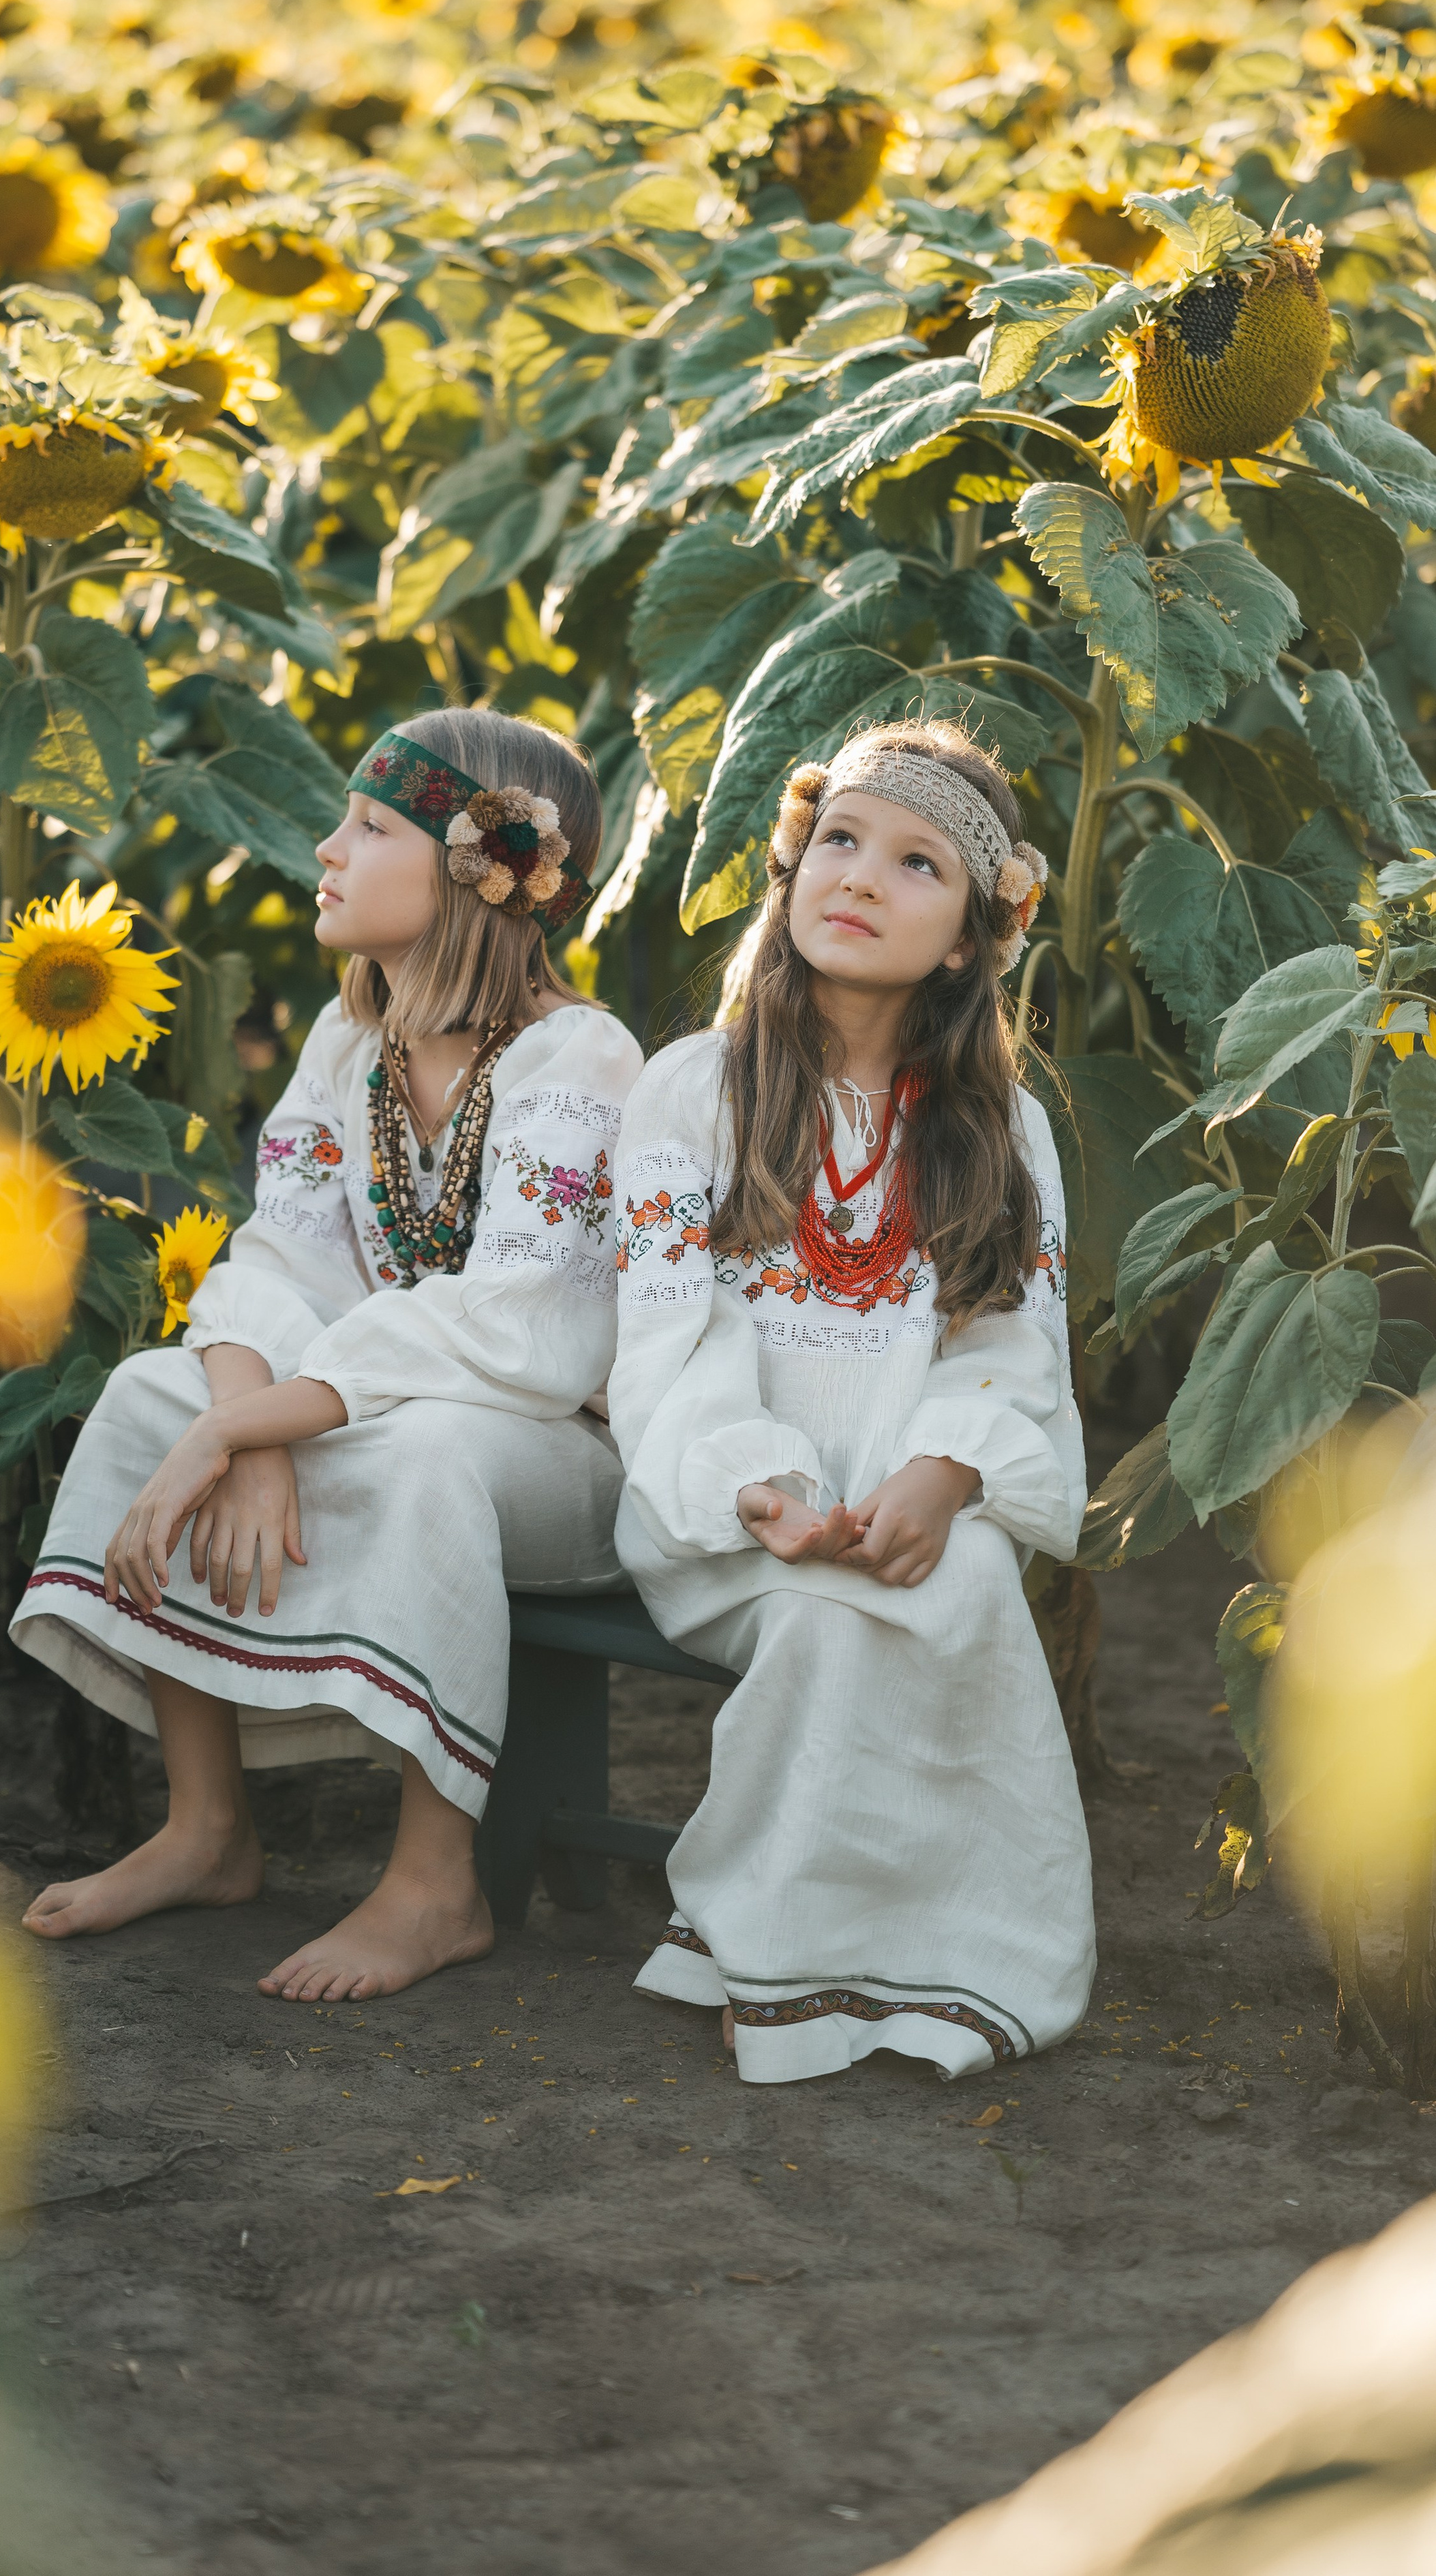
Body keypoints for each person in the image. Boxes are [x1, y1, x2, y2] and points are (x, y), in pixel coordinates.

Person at [12, 708, 642, 2003]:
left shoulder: (578, 1057)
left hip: (561, 1458)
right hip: (378, 1404)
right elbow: (280, 1261)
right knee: (150, 1390)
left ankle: (436, 1885)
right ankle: (207, 1828)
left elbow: (519, 1323)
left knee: (423, 1449)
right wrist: (237, 1429)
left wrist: (250, 1427)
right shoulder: (350, 1046)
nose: (327, 848)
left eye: (371, 826)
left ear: (480, 872)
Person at [608, 718, 1095, 2085]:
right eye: (839, 840)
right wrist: (758, 1482)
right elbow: (667, 1338)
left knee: (964, 1584)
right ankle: (779, 1955)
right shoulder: (693, 1090)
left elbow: (1015, 1341)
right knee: (826, 1617)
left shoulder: (1001, 1128)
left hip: (915, 1490)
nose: (861, 876)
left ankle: (956, 1951)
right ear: (792, 865)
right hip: (720, 1504)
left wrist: (944, 1471)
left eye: (916, 862)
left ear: (970, 939)